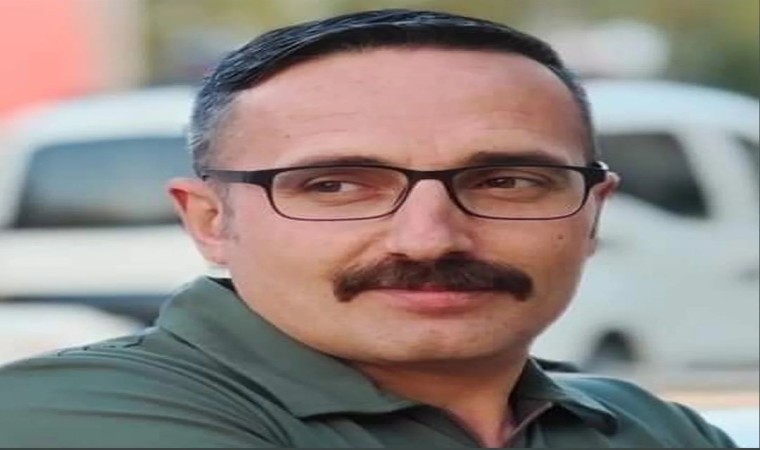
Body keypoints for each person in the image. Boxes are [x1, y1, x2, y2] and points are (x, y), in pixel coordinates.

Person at [0, 9, 736, 448]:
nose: (429, 239)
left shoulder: (650, 428)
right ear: (211, 220)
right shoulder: (71, 414)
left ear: (593, 212)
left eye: (506, 182)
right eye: (336, 186)